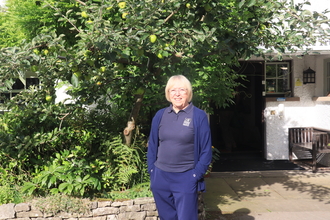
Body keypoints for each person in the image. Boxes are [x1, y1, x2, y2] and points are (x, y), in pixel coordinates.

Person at [147, 75, 212, 220]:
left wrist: (195, 175)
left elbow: (206, 151)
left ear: (188, 93)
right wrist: (152, 170)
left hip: (186, 177)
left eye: (182, 90)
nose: (177, 94)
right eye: (173, 90)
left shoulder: (198, 116)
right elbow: (152, 144)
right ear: (168, 94)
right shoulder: (160, 115)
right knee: (166, 217)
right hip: (161, 177)